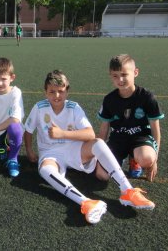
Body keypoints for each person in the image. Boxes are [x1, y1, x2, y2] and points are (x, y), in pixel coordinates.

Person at [24, 70, 155, 224]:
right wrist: (30, 151)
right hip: (50, 153)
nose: (57, 95)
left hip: (74, 150)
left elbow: (90, 134)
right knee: (45, 170)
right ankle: (86, 203)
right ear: (45, 92)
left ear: (67, 91)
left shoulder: (73, 107)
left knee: (98, 143)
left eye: (61, 91)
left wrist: (62, 134)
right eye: (52, 91)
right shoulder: (39, 107)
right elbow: (28, 130)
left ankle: (127, 191)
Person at [98, 54, 164, 181]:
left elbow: (156, 130)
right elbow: (104, 130)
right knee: (102, 175)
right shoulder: (109, 100)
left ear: (135, 72)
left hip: (140, 138)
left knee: (147, 159)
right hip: (118, 139)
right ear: (110, 76)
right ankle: (119, 158)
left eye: (124, 74)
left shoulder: (147, 97)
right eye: (115, 76)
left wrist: (155, 159)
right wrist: (100, 153)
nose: (120, 80)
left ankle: (135, 160)